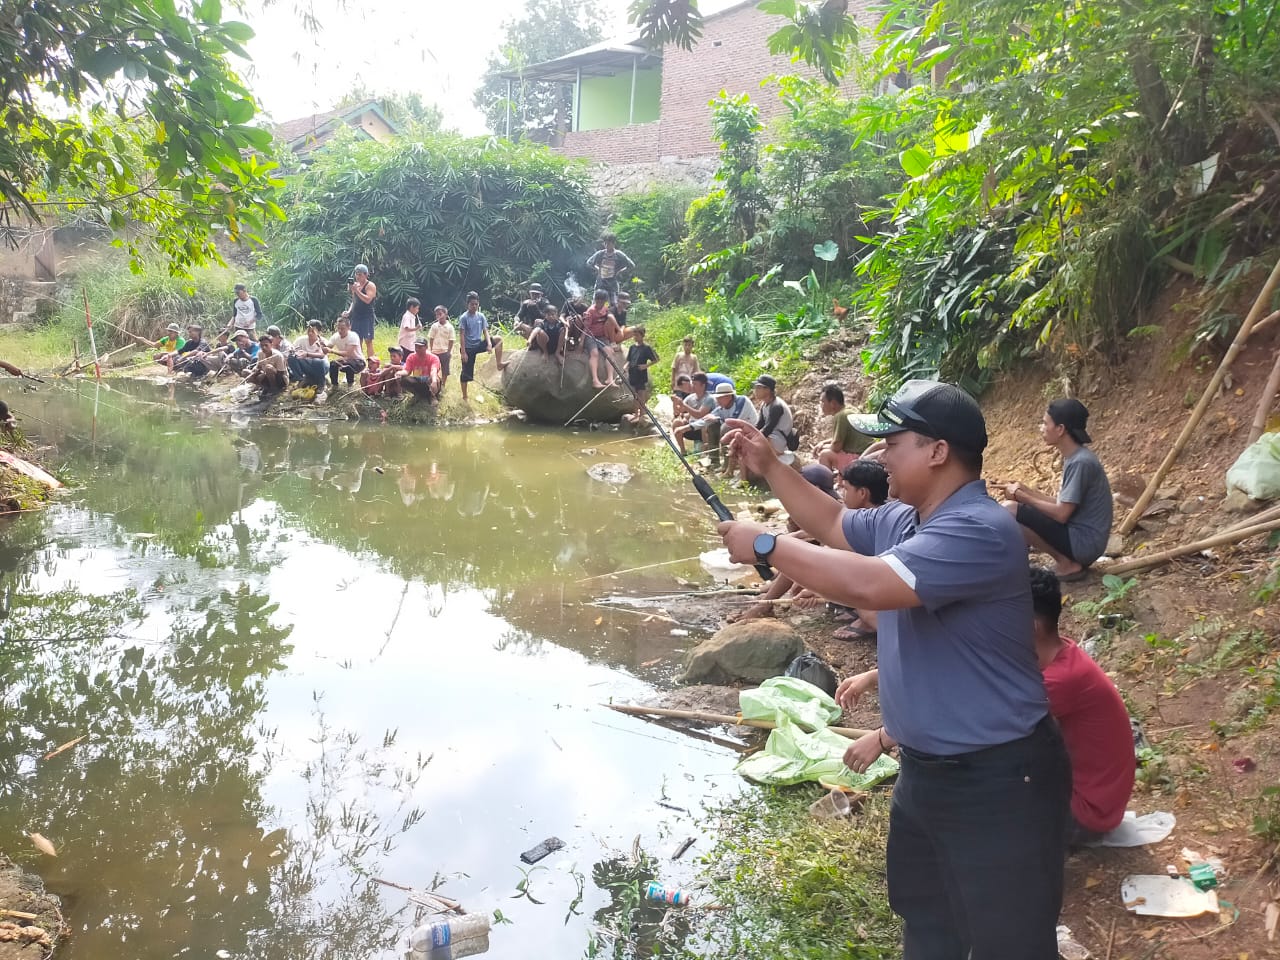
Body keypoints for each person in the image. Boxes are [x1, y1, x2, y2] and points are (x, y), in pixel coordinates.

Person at [716, 379, 1070, 960]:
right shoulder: (909, 519)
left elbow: (869, 583)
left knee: (1011, 943)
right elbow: (834, 524)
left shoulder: (977, 529)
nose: (879, 454)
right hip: (925, 772)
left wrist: (766, 546)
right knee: (927, 922)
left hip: (999, 777)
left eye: (894, 442)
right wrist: (771, 466)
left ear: (937, 451)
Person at [1030, 565, 1134, 845]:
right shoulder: (1060, 654)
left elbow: (987, 720)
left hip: (1087, 813)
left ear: (1031, 627)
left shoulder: (1060, 680)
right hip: (1096, 799)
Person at [1004, 398, 1113, 581]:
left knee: (1010, 510)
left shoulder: (1080, 462)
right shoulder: (1075, 458)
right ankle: (1064, 561)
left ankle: (1068, 564)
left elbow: (1061, 513)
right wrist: (1025, 491)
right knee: (1013, 509)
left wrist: (1022, 497)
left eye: (1045, 423)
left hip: (1084, 543)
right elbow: (1062, 504)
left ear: (1060, 429)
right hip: (1081, 538)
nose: (1041, 428)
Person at [458, 291, 506, 400]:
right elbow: (461, 335)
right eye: (472, 304)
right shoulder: (464, 318)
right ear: (467, 304)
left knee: (498, 339)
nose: (474, 306)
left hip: (479, 344)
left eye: (476, 304)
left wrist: (489, 344)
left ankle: (499, 364)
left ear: (478, 304)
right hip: (468, 348)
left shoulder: (481, 316)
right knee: (466, 374)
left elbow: (485, 331)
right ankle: (464, 396)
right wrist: (463, 352)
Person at [815, 383, 873, 472]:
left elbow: (836, 447)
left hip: (859, 458)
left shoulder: (841, 416)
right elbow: (840, 438)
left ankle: (827, 480)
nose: (821, 405)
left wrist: (821, 447)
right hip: (868, 454)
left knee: (824, 454)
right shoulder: (851, 410)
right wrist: (823, 442)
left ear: (833, 403)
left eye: (822, 402)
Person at [706, 382, 757, 471]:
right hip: (736, 429)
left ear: (728, 397)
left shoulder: (742, 401)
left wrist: (717, 418)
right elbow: (706, 418)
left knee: (725, 427)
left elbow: (734, 421)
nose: (717, 401)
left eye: (719, 398)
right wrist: (688, 427)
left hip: (750, 430)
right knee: (712, 425)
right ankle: (714, 461)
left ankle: (727, 464)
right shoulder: (722, 407)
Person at [582, 288, 622, 390]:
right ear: (595, 299)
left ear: (605, 301)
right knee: (594, 353)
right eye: (598, 300)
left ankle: (610, 379)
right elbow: (586, 327)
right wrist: (581, 342)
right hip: (590, 336)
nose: (599, 303)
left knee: (610, 352)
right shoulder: (591, 311)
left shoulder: (605, 309)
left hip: (602, 337)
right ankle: (595, 380)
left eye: (602, 301)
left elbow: (610, 317)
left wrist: (618, 329)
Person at [585, 232, 635, 306]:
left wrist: (620, 271)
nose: (606, 245)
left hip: (612, 283)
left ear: (613, 244)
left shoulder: (619, 254)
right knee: (596, 304)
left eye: (608, 243)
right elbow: (589, 263)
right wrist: (598, 269)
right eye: (605, 243)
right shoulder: (600, 254)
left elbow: (631, 265)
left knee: (614, 304)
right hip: (601, 282)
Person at [623, 325, 659, 425]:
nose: (635, 337)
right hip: (633, 373)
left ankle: (642, 414)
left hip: (641, 373)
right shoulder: (632, 347)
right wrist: (626, 366)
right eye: (634, 335)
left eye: (637, 335)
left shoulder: (646, 348)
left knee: (641, 394)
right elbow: (629, 360)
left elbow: (656, 359)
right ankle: (635, 414)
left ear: (642, 335)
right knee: (634, 394)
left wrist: (646, 366)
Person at [342, 264, 378, 360]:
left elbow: (368, 300)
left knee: (368, 341)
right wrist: (349, 312)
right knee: (357, 340)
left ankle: (372, 362)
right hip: (356, 316)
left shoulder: (370, 285)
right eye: (356, 274)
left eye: (360, 275)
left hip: (366, 316)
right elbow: (354, 301)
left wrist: (357, 291)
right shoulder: (356, 285)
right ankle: (360, 361)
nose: (357, 277)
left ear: (366, 275)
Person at [752, 374, 794, 455]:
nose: (755, 390)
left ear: (767, 390)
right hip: (772, 436)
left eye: (758, 388)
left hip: (780, 440)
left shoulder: (776, 406)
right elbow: (760, 424)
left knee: (755, 444)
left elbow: (767, 429)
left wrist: (752, 438)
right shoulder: (764, 404)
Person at [672, 373, 715, 450]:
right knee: (676, 422)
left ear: (703, 385)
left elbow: (699, 415)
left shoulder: (709, 399)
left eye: (695, 384)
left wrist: (683, 404)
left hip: (704, 429)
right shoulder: (690, 397)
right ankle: (683, 451)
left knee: (704, 426)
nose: (692, 386)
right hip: (691, 428)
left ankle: (706, 451)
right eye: (692, 383)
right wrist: (675, 402)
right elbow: (678, 411)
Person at [326, 316, 366, 387]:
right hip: (346, 360)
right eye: (338, 328)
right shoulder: (335, 336)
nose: (340, 331)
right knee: (333, 364)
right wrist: (321, 345)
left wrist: (332, 351)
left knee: (348, 365)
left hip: (359, 362)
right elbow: (328, 347)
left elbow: (347, 353)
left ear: (349, 327)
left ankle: (350, 384)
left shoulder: (353, 336)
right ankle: (334, 385)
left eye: (342, 329)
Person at [288, 320, 329, 390]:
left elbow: (322, 355)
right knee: (291, 357)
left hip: (322, 367)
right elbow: (293, 348)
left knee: (317, 361)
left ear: (319, 332)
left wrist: (307, 354)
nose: (310, 333)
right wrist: (292, 350)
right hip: (306, 365)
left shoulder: (323, 341)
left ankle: (321, 383)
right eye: (308, 330)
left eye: (313, 331)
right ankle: (301, 379)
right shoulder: (301, 340)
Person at [427, 306, 455, 384]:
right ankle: (434, 383)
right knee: (433, 368)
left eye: (440, 314)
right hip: (435, 352)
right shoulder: (434, 326)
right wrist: (431, 350)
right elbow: (431, 338)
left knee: (445, 370)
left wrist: (449, 352)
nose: (438, 316)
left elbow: (451, 340)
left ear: (446, 314)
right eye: (437, 315)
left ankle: (443, 384)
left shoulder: (450, 327)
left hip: (445, 352)